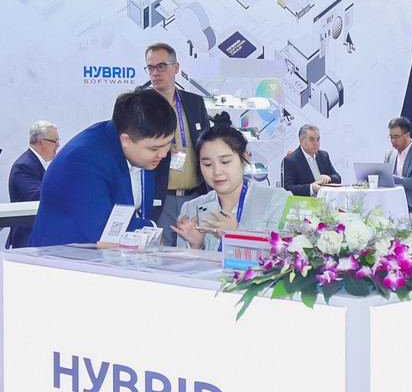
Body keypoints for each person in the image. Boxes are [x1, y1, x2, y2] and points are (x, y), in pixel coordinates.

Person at [29, 91, 176, 247]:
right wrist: (150, 230)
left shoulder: (140, 148)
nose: (163, 153)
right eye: (155, 148)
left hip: (109, 255)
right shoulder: (84, 159)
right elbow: (103, 231)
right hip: (63, 255)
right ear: (126, 140)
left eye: (169, 144)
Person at [172, 113, 288, 251]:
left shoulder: (276, 200)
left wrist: (237, 234)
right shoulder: (192, 208)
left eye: (225, 162)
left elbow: (284, 258)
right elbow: (183, 263)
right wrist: (197, 246)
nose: (217, 171)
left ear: (244, 158)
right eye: (208, 164)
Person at [140, 42, 212, 239]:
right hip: (161, 199)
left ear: (176, 67)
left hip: (195, 197)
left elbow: (206, 146)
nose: (155, 72)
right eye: (150, 68)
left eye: (161, 66)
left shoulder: (194, 102)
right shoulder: (142, 105)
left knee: (195, 250)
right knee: (161, 254)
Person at [5, 120, 58, 248]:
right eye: (55, 141)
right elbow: (38, 197)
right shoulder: (24, 166)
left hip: (42, 236)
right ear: (40, 142)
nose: (58, 146)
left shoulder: (40, 164)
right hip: (28, 239)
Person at [383, 116, 412, 212]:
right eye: (391, 137)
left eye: (396, 137)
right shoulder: (389, 153)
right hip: (392, 202)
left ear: (407, 135)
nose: (393, 141)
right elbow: (385, 178)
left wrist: (389, 178)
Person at [282, 123, 341, 196]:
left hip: (326, 199)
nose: (316, 143)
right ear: (301, 140)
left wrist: (329, 178)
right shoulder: (290, 160)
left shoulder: (323, 156)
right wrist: (311, 188)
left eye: (318, 139)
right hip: (305, 201)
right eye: (311, 139)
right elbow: (288, 188)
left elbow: (338, 178)